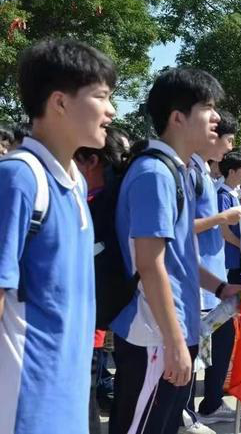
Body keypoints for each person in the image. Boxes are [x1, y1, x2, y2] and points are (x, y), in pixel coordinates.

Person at [109, 67, 241, 434]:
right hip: (153, 334)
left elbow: (179, 256)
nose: (216, 118)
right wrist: (173, 341)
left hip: (170, 331)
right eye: (208, 107)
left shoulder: (177, 171)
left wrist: (219, 287)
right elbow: (150, 264)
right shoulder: (154, 174)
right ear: (177, 117)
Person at [0, 39, 116, 434]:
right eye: (101, 96)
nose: (111, 111)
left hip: (68, 394)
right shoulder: (19, 178)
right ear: (60, 102)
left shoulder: (75, 182)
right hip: (25, 401)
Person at [185, 109, 241, 433]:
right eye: (227, 139)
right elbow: (180, 228)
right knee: (193, 353)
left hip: (211, 282)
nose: (228, 146)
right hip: (197, 283)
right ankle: (187, 413)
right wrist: (224, 218)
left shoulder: (203, 176)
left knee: (205, 351)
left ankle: (200, 408)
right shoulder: (187, 174)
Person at [75, 126, 130, 433]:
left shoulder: (100, 204)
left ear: (91, 161)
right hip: (96, 323)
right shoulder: (101, 200)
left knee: (85, 403)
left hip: (91, 324)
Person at [217, 151, 241, 285]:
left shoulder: (233, 195)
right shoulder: (223, 196)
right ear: (231, 172)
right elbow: (224, 231)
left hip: (234, 257)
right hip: (227, 258)